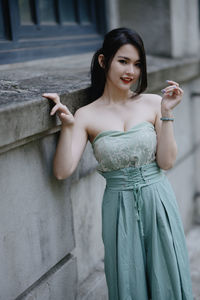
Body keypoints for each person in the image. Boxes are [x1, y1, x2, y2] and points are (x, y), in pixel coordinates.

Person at [42, 27, 194, 300]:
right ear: (103, 61)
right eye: (123, 61)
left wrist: (167, 114)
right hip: (118, 207)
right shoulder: (86, 115)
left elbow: (167, 162)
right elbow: (62, 171)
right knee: (127, 279)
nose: (131, 72)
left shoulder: (153, 103)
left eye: (137, 64)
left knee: (167, 276)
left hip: (158, 200)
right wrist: (67, 126)